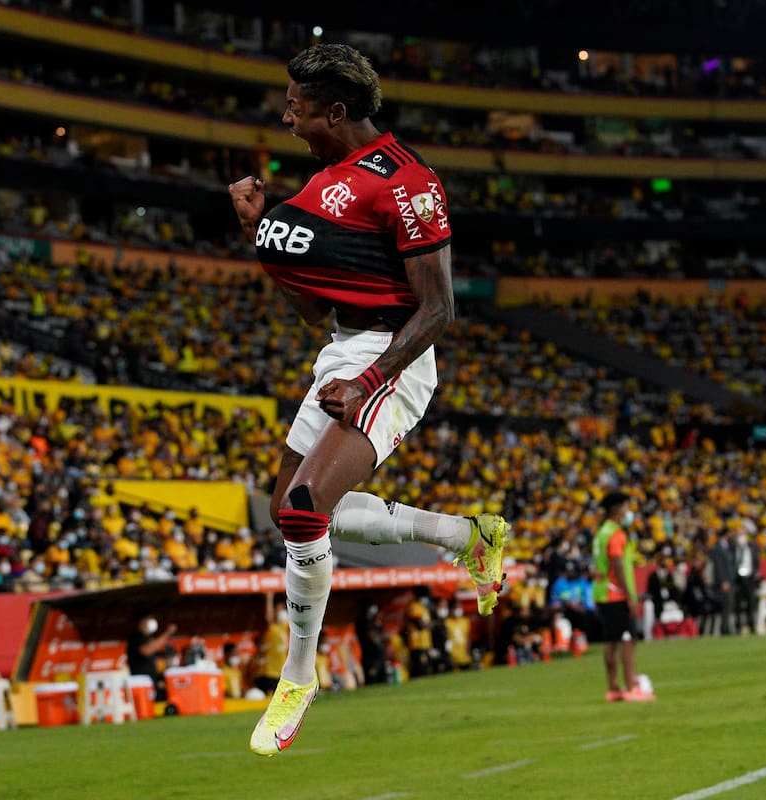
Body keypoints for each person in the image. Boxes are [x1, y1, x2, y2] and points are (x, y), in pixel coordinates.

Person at [228, 42, 509, 756]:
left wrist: (371, 378)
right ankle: (464, 536)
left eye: (296, 104)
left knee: (299, 512)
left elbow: (440, 308)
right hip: (341, 348)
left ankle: (298, 676)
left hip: (395, 359)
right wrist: (253, 234)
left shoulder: (408, 184)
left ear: (337, 110)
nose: (286, 114)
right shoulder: (327, 180)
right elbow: (304, 309)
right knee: (290, 507)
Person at [592, 491, 654, 702]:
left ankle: (614, 688)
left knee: (611, 642)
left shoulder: (601, 533)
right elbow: (618, 564)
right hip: (616, 593)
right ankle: (631, 687)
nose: (629, 512)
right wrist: (629, 596)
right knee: (628, 640)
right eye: (627, 507)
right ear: (618, 509)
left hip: (602, 592)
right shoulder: (616, 534)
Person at [125, 611, 177, 695]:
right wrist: (167, 633)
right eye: (149, 619)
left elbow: (155, 658)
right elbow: (146, 651)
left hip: (152, 682)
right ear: (142, 621)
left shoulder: (147, 638)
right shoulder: (136, 636)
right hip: (141, 684)